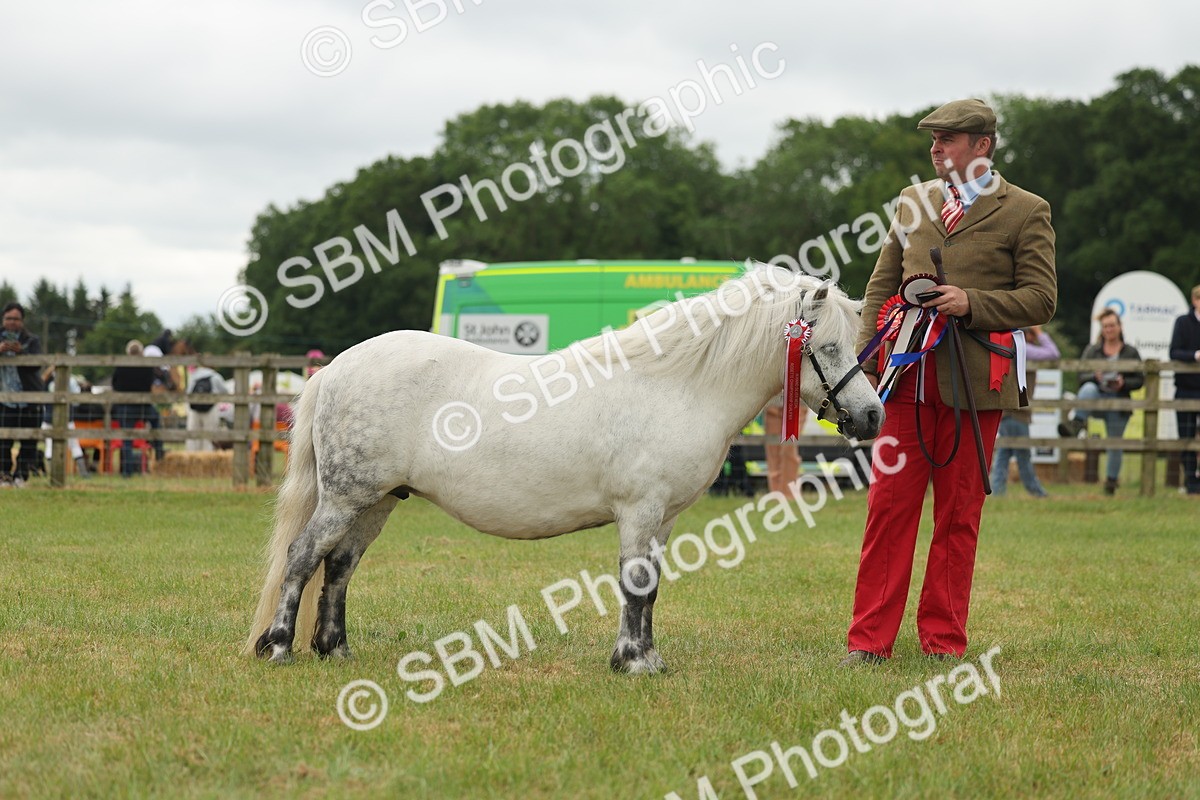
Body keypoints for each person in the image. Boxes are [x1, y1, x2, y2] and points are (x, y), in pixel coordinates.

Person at [843, 99, 1057, 666]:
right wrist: (867, 366)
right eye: (934, 139)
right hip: (907, 380)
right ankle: (868, 643)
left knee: (959, 516)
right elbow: (877, 288)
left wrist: (972, 302)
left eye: (948, 139)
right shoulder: (913, 202)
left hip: (976, 385)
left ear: (981, 146)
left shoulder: (1027, 211)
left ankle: (942, 641)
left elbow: (1041, 298)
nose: (935, 148)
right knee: (888, 511)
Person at [1057, 308, 1143, 495]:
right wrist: (1094, 377)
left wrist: (1124, 383)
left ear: (1119, 327)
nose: (1109, 329)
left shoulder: (1130, 351)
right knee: (1088, 388)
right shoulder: (1092, 350)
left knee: (1115, 443)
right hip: (1096, 398)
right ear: (1101, 329)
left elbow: (1140, 379)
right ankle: (1077, 423)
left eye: (1112, 325)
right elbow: (1081, 375)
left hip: (1118, 399)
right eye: (1105, 326)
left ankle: (1111, 483)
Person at [989, 326, 1059, 497]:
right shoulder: (1023, 348)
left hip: (1007, 409)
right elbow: (1053, 353)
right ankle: (1035, 491)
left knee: (1005, 451)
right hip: (1017, 411)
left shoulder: (1007, 346)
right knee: (1021, 453)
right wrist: (1040, 333)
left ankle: (997, 490)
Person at [0, 302, 45, 487]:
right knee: (3, 440)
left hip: (29, 399)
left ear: (22, 321)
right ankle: (3, 475)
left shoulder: (31, 341)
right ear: (3, 319)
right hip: (4, 400)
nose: (12, 322)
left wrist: (22, 352)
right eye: (9, 318)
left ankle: (21, 475)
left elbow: (37, 364)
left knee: (29, 441)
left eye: (16, 319)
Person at [1168, 284, 1200, 495]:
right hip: (1186, 388)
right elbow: (1174, 351)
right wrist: (1195, 356)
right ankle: (1190, 482)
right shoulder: (1182, 322)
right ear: (1195, 301)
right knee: (1186, 437)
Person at [111, 339, 157, 476]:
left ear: (128, 352)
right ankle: (159, 451)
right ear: (141, 352)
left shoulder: (121, 366)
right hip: (144, 407)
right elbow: (150, 385)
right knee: (156, 421)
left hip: (125, 407)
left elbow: (115, 385)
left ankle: (127, 472)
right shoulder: (147, 366)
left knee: (127, 439)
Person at [185, 365, 229, 452]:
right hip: (211, 409)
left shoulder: (194, 375)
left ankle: (191, 457)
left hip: (195, 409)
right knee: (209, 437)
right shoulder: (216, 376)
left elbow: (188, 393)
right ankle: (207, 456)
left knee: (193, 436)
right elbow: (225, 392)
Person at [763, 402, 801, 498]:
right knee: (773, 451)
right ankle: (775, 494)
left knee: (788, 449)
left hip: (796, 401)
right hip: (772, 401)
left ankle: (788, 495)